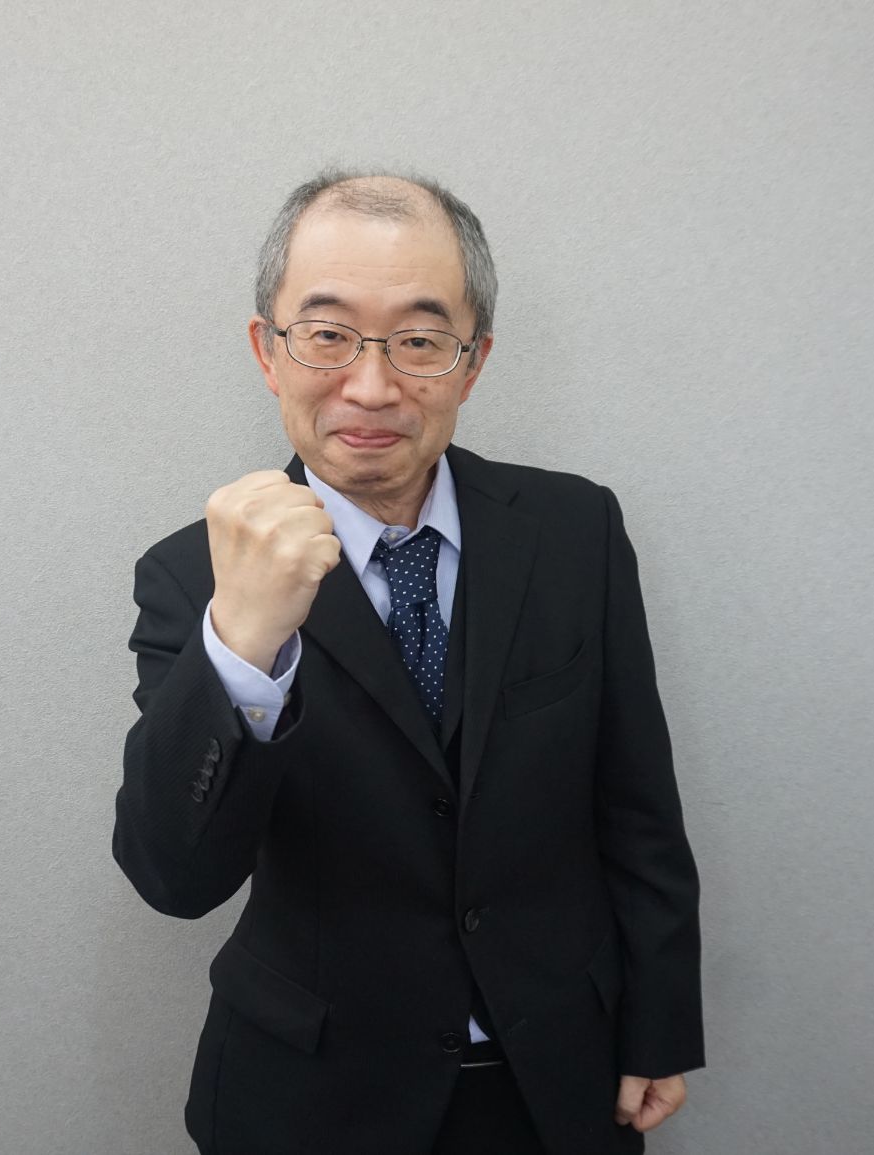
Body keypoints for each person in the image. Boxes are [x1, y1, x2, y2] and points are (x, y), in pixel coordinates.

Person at [113, 169, 704, 1154]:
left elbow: (637, 803)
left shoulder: (574, 531)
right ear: (268, 350)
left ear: (473, 362)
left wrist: (660, 1017)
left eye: (421, 341)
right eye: (328, 333)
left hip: (556, 1079)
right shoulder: (192, 576)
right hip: (313, 1102)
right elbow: (174, 877)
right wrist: (244, 642)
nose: (372, 386)